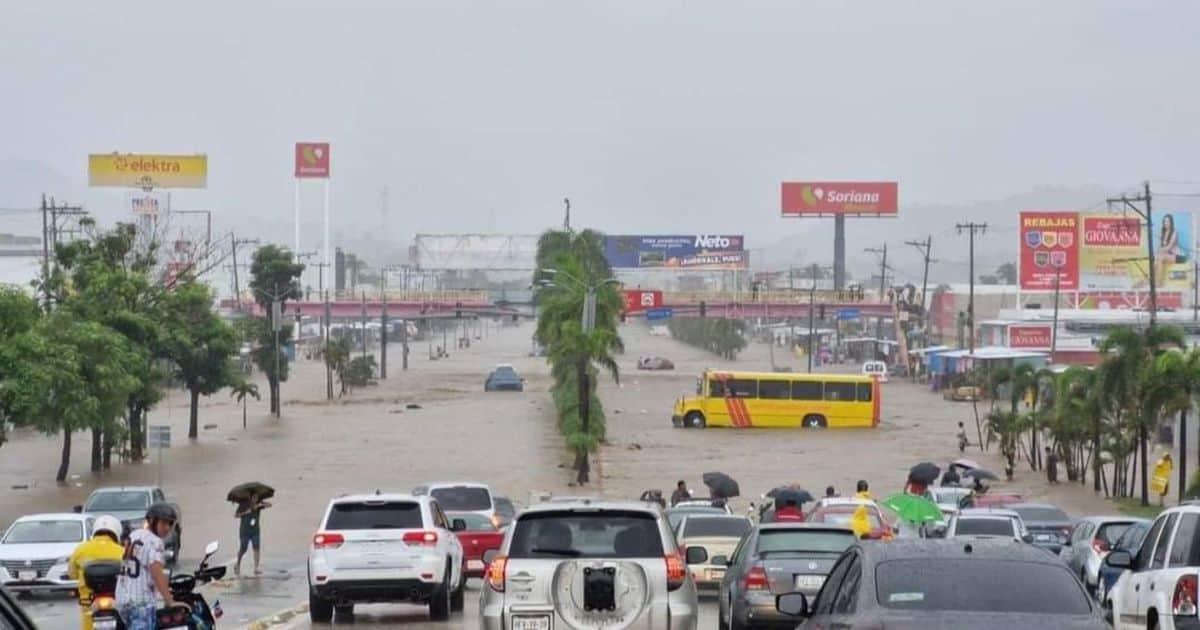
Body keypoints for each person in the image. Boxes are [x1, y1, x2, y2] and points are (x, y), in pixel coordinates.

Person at [116, 503, 185, 629]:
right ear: (152, 521)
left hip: (122, 598)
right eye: (164, 523)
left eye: (170, 524)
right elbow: (156, 572)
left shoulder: (135, 534)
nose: (168, 528)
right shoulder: (155, 542)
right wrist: (169, 601)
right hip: (140, 602)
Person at [69, 515, 126, 630]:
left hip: (88, 600)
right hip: (116, 599)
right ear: (116, 532)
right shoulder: (122, 551)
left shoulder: (80, 549)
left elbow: (72, 573)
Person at [236, 493, 272, 577]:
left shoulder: (258, 505)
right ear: (250, 497)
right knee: (243, 549)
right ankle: (238, 564)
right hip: (244, 531)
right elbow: (236, 515)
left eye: (257, 497)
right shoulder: (243, 504)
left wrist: (261, 504)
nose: (255, 499)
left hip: (255, 531)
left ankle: (256, 568)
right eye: (254, 497)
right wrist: (246, 512)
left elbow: (270, 505)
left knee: (256, 548)